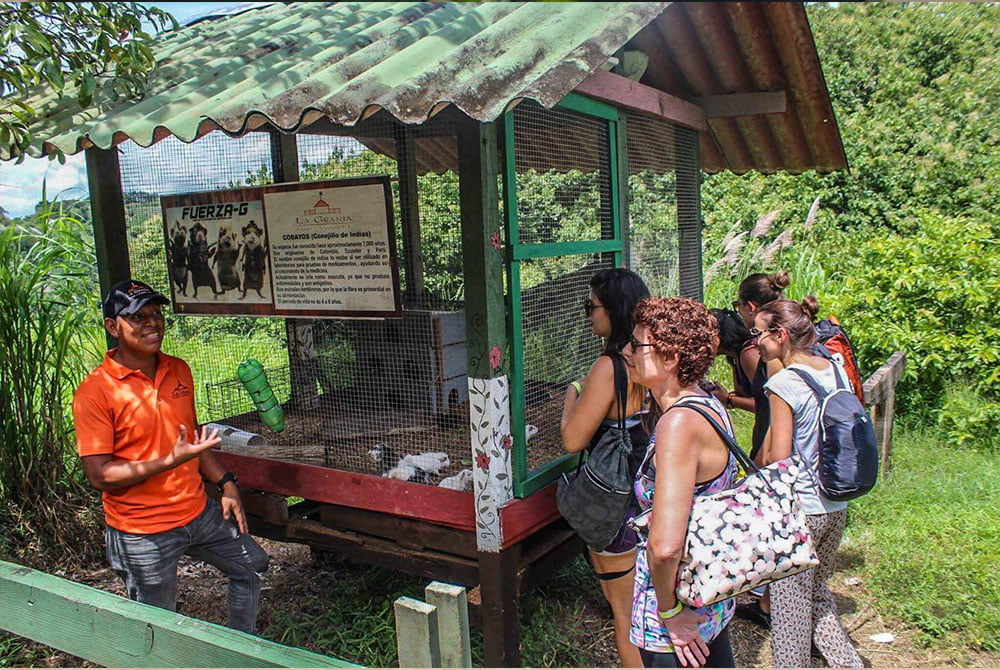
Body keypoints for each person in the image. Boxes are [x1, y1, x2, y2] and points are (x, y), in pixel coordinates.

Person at [72, 279, 270, 634]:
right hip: (141, 530)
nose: (152, 323)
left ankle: (244, 648)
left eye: (156, 313)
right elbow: (100, 474)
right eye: (137, 317)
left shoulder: (178, 369)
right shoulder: (95, 392)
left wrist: (226, 484)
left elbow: (192, 439)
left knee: (252, 565)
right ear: (112, 327)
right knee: (156, 624)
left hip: (196, 511)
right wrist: (169, 461)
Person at [624, 297, 738, 668]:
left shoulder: (678, 425)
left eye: (637, 345)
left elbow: (665, 546)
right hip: (709, 593)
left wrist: (669, 613)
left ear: (670, 359)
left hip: (678, 614)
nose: (627, 350)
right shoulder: (705, 401)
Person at [754, 298, 864, 668]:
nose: (755, 342)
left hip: (802, 509)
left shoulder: (784, 382)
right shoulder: (835, 369)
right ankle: (849, 663)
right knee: (818, 597)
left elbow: (778, 457)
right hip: (836, 505)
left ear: (780, 335)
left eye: (759, 333)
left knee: (789, 611)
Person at [561, 268, 651, 668]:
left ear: (612, 311)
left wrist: (572, 397)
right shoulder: (651, 358)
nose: (587, 315)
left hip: (616, 504)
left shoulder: (609, 367)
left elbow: (573, 439)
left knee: (626, 613)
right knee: (648, 605)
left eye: (591, 306)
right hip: (648, 493)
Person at [708, 271, 790, 629]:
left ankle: (766, 592)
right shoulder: (751, 351)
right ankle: (764, 593)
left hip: (772, 436)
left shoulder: (752, 355)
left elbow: (768, 403)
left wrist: (728, 400)